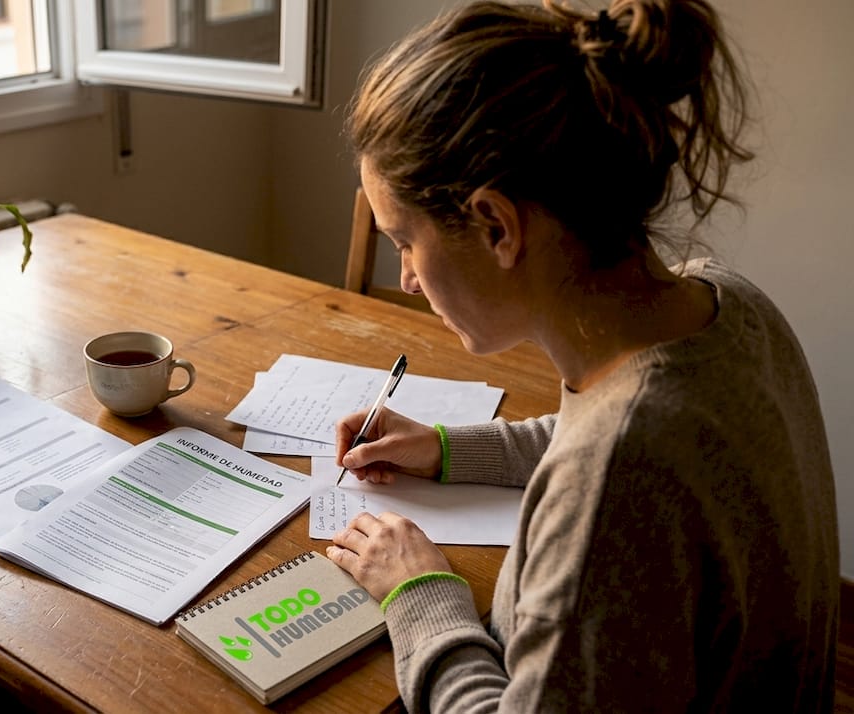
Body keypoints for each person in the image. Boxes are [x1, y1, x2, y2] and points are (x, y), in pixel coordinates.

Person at [324, 0, 838, 711]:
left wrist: (423, 595)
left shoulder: (614, 480)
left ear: (496, 225)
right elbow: (606, 433)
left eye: (405, 240)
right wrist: (446, 449)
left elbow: (610, 460)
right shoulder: (727, 303)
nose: (407, 276)